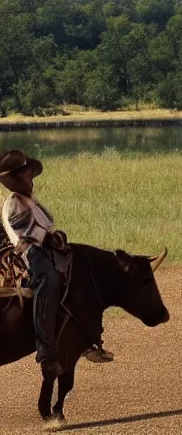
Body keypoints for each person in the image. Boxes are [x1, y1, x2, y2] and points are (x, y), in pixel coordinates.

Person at [0, 150, 112, 376]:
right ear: (16, 179)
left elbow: (41, 227)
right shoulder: (12, 203)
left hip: (30, 247)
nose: (31, 179)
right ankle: (46, 352)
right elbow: (20, 233)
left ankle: (83, 340)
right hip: (25, 251)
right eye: (26, 176)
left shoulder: (28, 200)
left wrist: (51, 238)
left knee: (76, 273)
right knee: (48, 281)